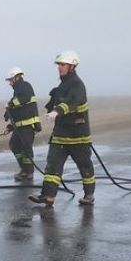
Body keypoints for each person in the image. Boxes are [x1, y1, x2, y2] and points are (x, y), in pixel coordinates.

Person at [29, 51, 96, 207]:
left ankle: (89, 194)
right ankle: (48, 196)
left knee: (85, 166)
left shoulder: (77, 85)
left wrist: (57, 111)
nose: (59, 67)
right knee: (52, 166)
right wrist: (50, 109)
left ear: (72, 66)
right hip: (61, 134)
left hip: (78, 136)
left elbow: (71, 102)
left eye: (63, 64)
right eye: (58, 65)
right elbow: (57, 101)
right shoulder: (62, 85)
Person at [2, 67, 41, 181]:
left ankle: (29, 172)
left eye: (10, 80)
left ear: (16, 77)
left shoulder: (25, 86)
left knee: (26, 148)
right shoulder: (18, 89)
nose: (9, 83)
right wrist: (10, 125)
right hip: (20, 126)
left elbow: (23, 99)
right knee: (14, 145)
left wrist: (10, 104)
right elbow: (18, 110)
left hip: (28, 126)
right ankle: (24, 169)